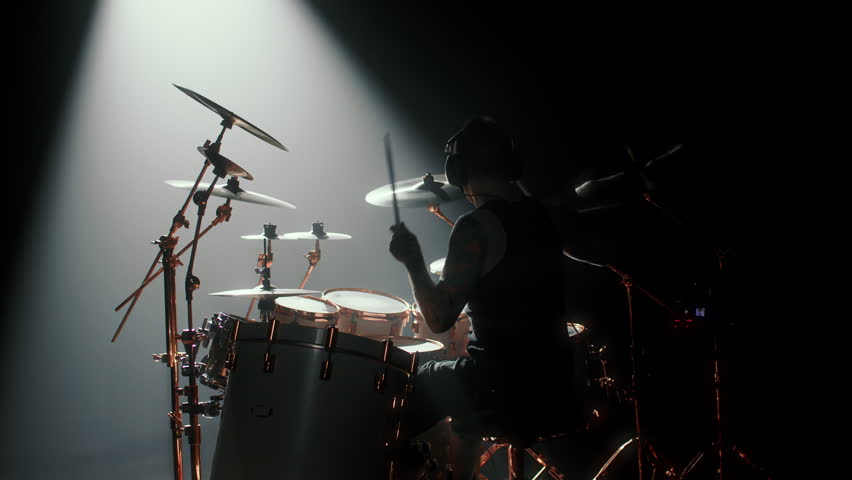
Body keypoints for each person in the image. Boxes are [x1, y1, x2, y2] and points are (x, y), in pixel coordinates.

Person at [389, 117, 581, 476]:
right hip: (557, 387)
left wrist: (413, 262)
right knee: (459, 379)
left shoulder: (475, 228)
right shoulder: (549, 217)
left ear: (457, 171)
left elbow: (439, 319)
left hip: (501, 389)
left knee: (408, 388)